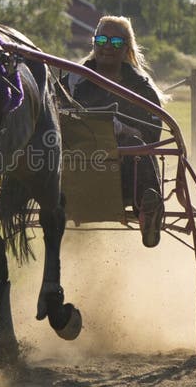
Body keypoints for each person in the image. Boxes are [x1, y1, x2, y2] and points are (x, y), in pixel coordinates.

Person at [62, 15, 165, 247]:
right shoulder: (73, 80)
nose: (107, 46)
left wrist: (121, 129)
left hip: (125, 174)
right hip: (79, 167)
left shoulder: (141, 88)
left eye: (116, 42)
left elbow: (151, 138)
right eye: (101, 40)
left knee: (137, 147)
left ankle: (149, 210)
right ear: (93, 43)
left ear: (126, 48)